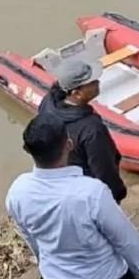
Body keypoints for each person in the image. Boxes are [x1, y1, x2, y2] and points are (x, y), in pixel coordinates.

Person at [6, 113, 139, 279]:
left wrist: (44, 262)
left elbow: (29, 235)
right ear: (69, 144)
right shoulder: (91, 193)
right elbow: (123, 237)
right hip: (107, 278)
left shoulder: (18, 191)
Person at [39, 58, 127, 203]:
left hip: (64, 186)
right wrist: (116, 195)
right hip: (89, 194)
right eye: (91, 82)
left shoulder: (48, 104)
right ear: (77, 94)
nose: (97, 82)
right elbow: (104, 169)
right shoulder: (92, 129)